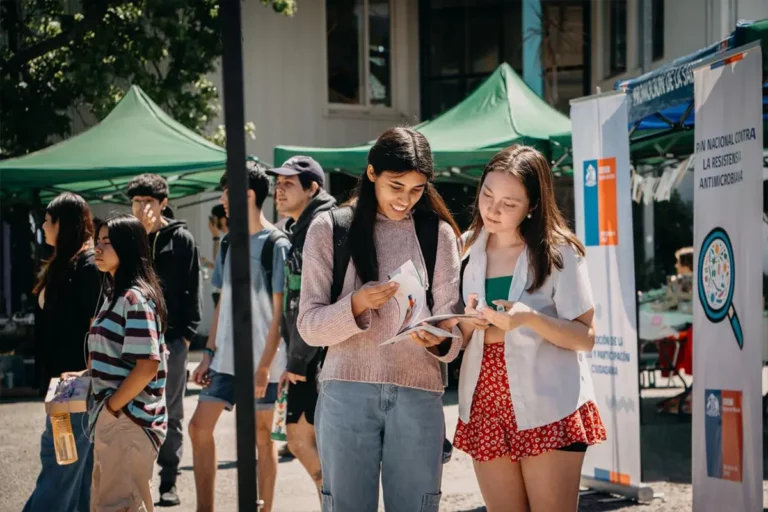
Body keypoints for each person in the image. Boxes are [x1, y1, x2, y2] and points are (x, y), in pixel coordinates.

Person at [297, 127, 463, 512]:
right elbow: (308, 325)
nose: (405, 199)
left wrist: (437, 339)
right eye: (396, 186)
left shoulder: (438, 235)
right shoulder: (329, 228)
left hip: (419, 394)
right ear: (371, 173)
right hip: (346, 393)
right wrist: (355, 304)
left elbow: (454, 333)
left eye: (417, 189)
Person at [453, 145, 606, 512]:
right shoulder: (464, 248)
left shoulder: (558, 251)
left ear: (533, 206)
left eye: (509, 203)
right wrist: (466, 323)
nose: (492, 209)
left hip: (549, 402)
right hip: (485, 403)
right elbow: (459, 333)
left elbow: (586, 337)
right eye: (487, 195)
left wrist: (528, 319)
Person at [189, 163, 290, 512]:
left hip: (267, 364)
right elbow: (222, 304)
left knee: (263, 439)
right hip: (226, 360)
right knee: (198, 429)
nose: (222, 199)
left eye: (227, 192)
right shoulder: (230, 242)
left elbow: (280, 314)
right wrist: (208, 353)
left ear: (247, 195)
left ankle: (264, 509)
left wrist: (264, 366)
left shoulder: (277, 244)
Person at [126, 173, 202, 507]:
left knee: (171, 410)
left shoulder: (181, 238)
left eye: (148, 202)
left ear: (163, 204)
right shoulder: (127, 238)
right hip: (132, 338)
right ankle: (132, 477)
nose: (142, 209)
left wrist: (186, 336)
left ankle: (168, 480)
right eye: (136, 202)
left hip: (171, 340)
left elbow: (193, 288)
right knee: (131, 405)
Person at [23, 193, 102, 512]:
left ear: (63, 223)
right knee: (76, 470)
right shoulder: (66, 261)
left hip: (77, 382)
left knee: (61, 463)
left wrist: (89, 371)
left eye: (48, 219)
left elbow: (96, 325)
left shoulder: (86, 264)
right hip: (66, 383)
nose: (43, 225)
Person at [87, 214, 169, 511]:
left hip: (129, 420)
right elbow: (121, 358)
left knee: (118, 505)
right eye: (97, 241)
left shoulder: (133, 298)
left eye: (108, 242)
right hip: (120, 418)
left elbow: (146, 366)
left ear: (129, 246)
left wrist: (111, 409)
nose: (98, 248)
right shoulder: (114, 295)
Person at [268, 156, 336, 492]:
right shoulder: (303, 227)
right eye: (276, 184)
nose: (278, 191)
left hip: (319, 355)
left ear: (313, 188)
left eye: (288, 184)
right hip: (309, 352)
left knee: (302, 439)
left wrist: (297, 358)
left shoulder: (320, 226)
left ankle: (338, 501)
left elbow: (316, 299)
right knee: (306, 441)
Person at [204, 204, 229, 306]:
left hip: (223, 292)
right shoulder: (224, 237)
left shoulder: (227, 238)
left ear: (223, 220)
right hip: (219, 291)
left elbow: (219, 262)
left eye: (214, 219)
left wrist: (215, 237)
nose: (212, 223)